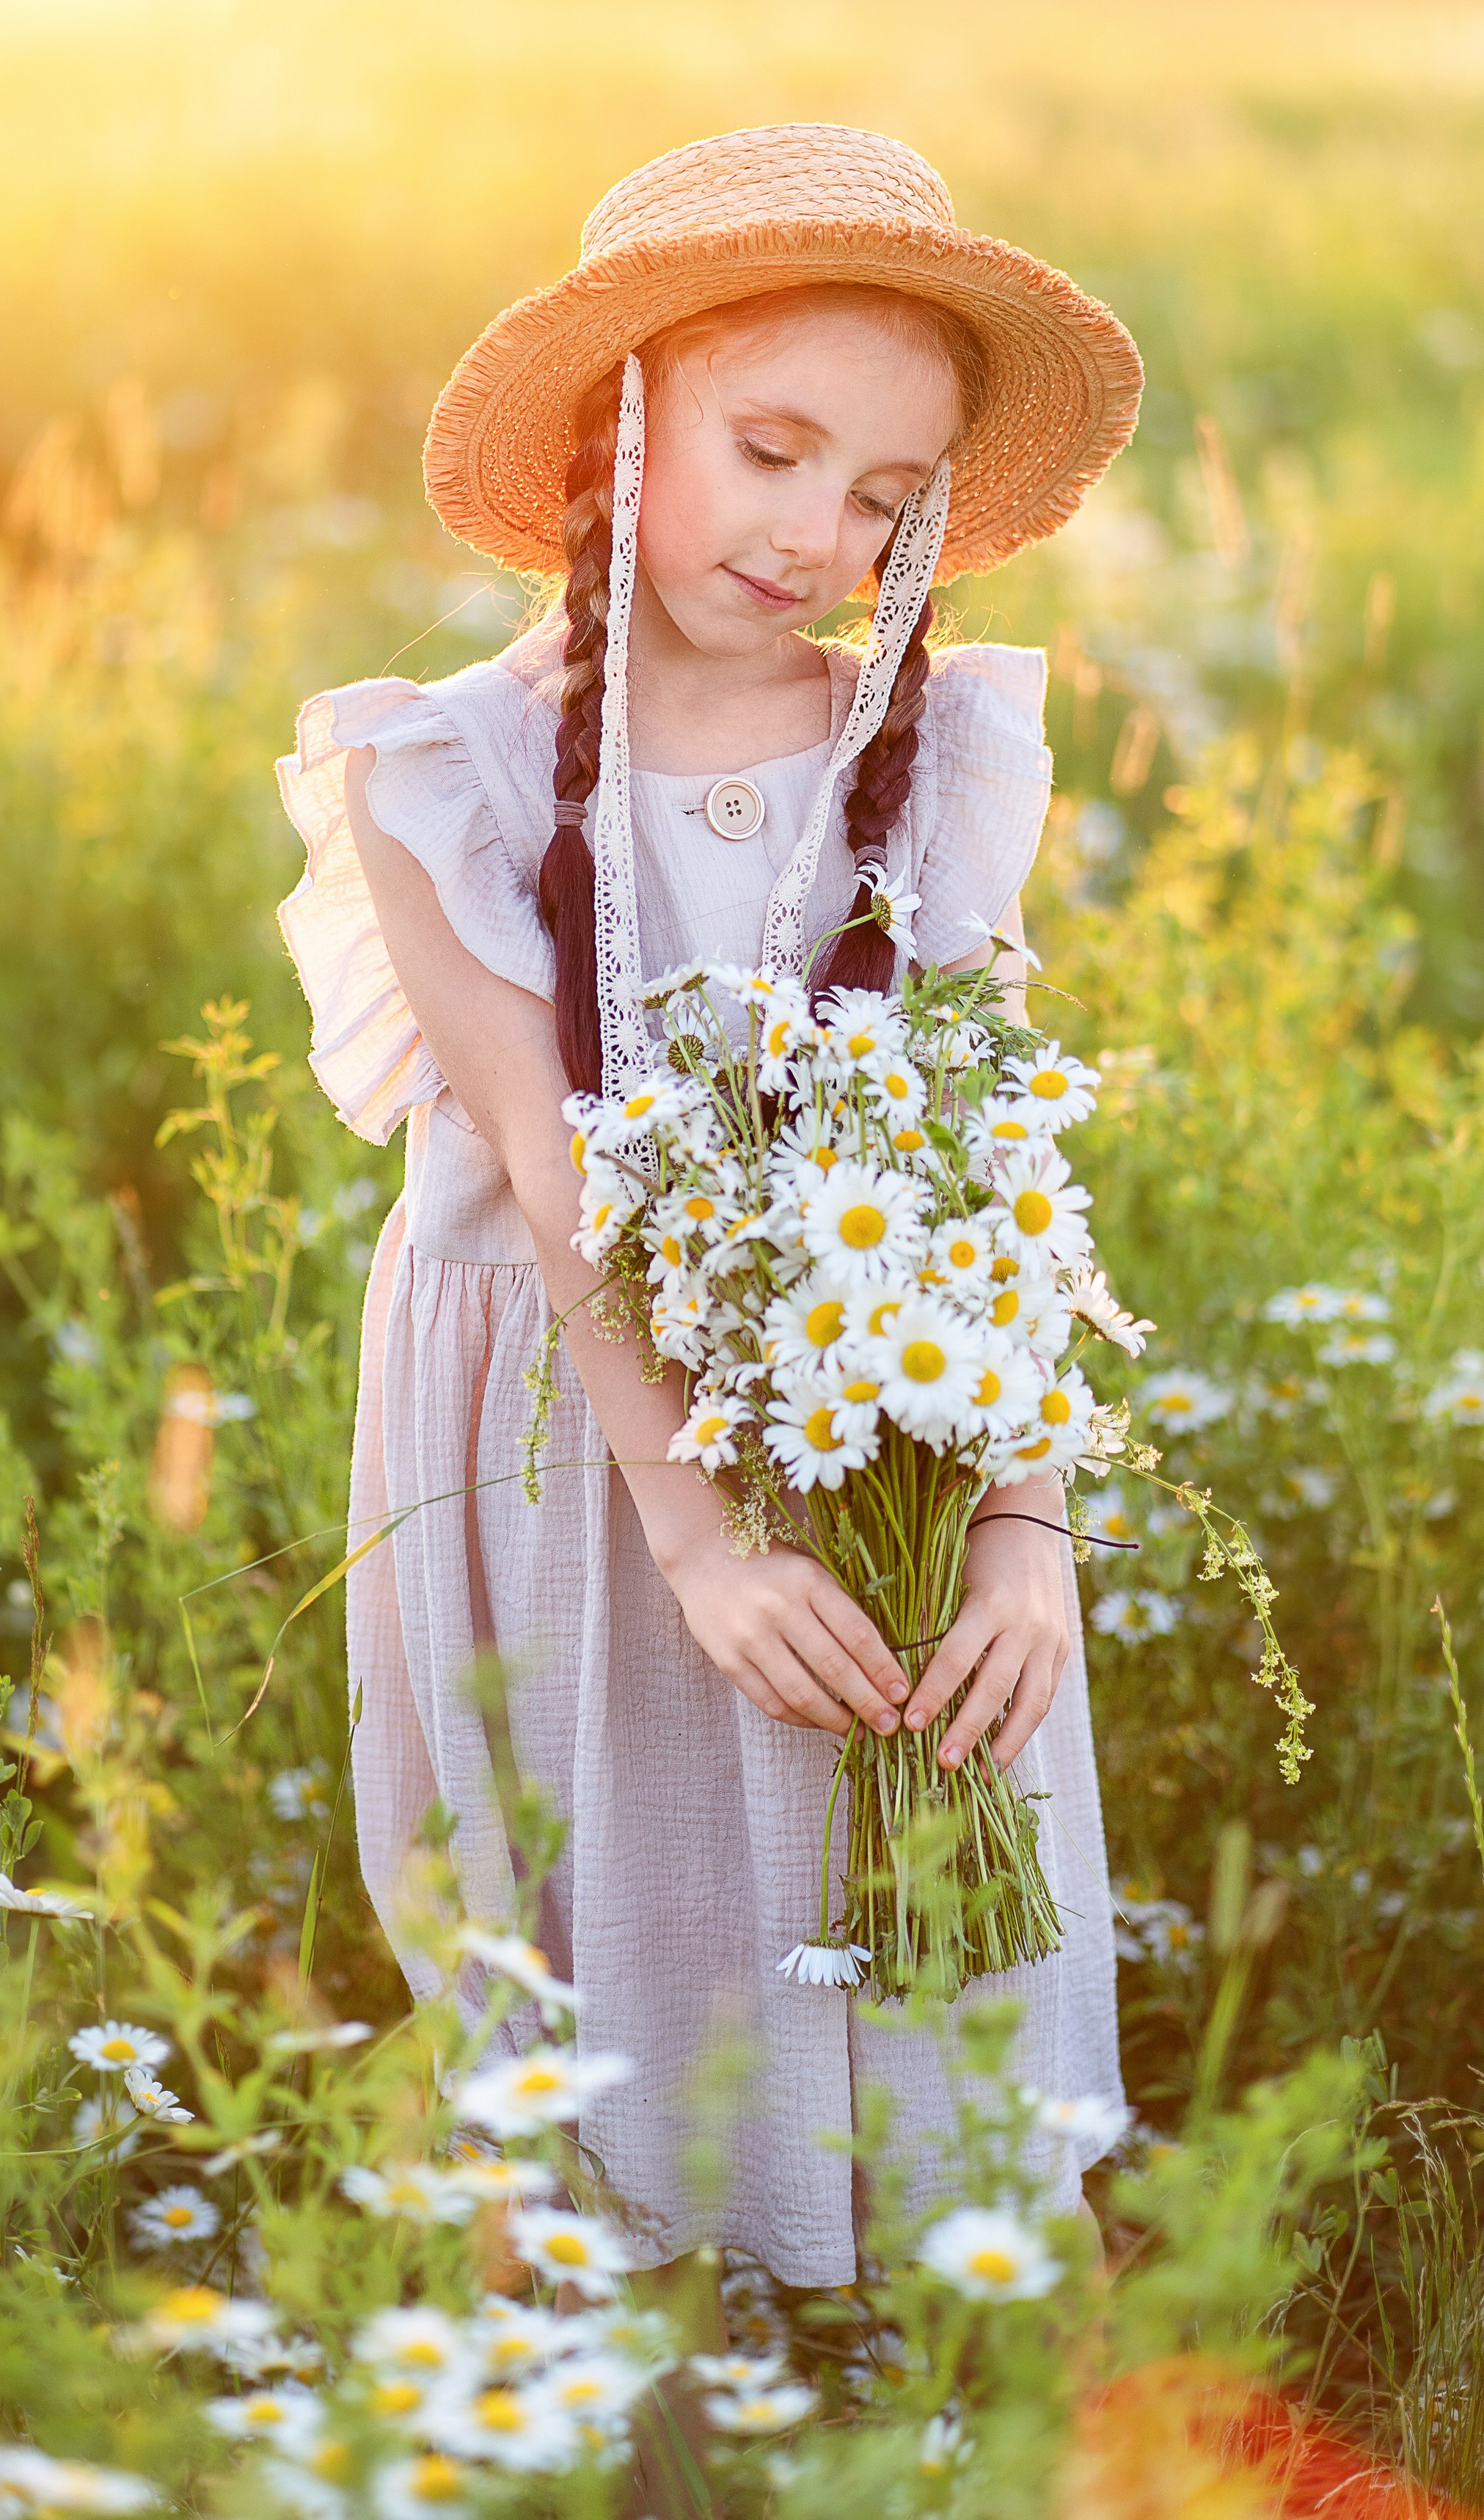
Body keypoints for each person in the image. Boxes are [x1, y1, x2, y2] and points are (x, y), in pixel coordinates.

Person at [277, 123, 1143, 2312]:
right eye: (772, 450)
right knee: (604, 1941)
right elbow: (556, 1188)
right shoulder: (443, 774)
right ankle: (622, 2395)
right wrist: (698, 1533)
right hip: (577, 1440)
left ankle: (912, 2361)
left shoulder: (923, 747)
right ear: (625, 411)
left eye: (881, 499)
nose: (817, 536)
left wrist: (1024, 1514)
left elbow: (978, 1155)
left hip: (880, 1405)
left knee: (903, 1840)